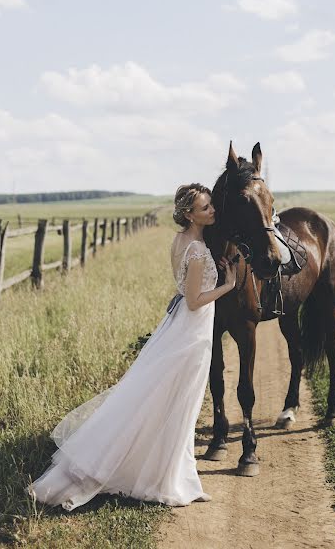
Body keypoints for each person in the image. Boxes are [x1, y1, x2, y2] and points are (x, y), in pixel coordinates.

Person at [27, 183, 236, 510]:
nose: (213, 211)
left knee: (160, 398)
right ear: (188, 214)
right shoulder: (196, 250)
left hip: (178, 324)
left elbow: (185, 291)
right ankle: (166, 480)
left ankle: (169, 472)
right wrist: (228, 285)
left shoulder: (181, 241)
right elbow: (195, 301)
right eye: (206, 208)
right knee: (179, 405)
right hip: (192, 331)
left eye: (211, 205)